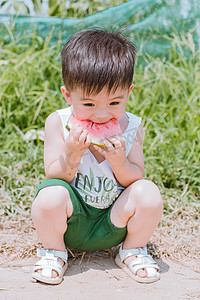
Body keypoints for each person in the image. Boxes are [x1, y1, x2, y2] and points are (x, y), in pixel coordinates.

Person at [31, 28, 163, 285]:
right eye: (89, 105)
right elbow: (53, 175)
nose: (102, 115)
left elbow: (135, 177)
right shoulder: (58, 122)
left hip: (113, 222)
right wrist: (71, 154)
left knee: (148, 192)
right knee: (49, 194)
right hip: (72, 222)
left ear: (129, 92)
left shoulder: (133, 127)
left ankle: (132, 250)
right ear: (68, 94)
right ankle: (54, 252)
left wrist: (119, 163)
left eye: (114, 103)